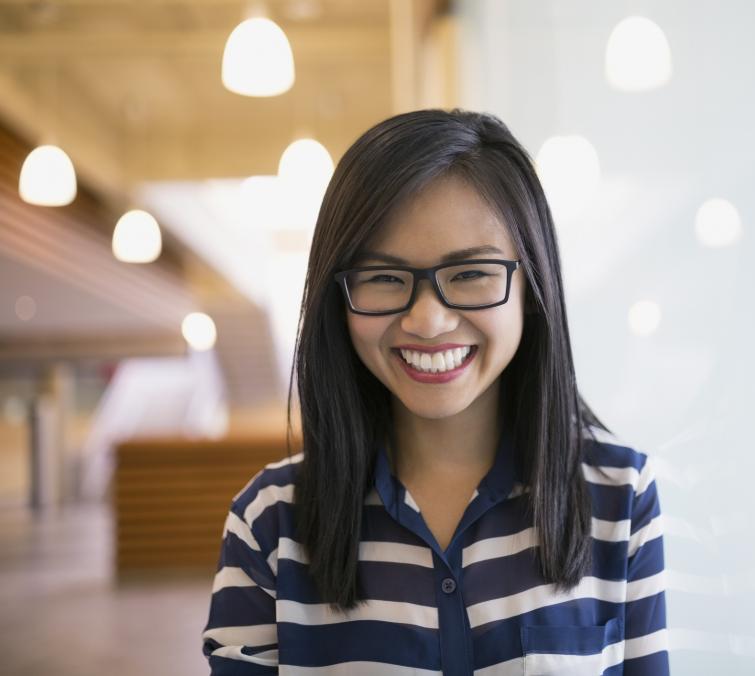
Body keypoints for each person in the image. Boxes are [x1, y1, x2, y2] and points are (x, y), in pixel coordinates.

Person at [201, 109, 669, 675]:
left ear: (531, 285)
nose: (427, 320)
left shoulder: (619, 497)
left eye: (470, 274)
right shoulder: (268, 523)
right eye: (383, 277)